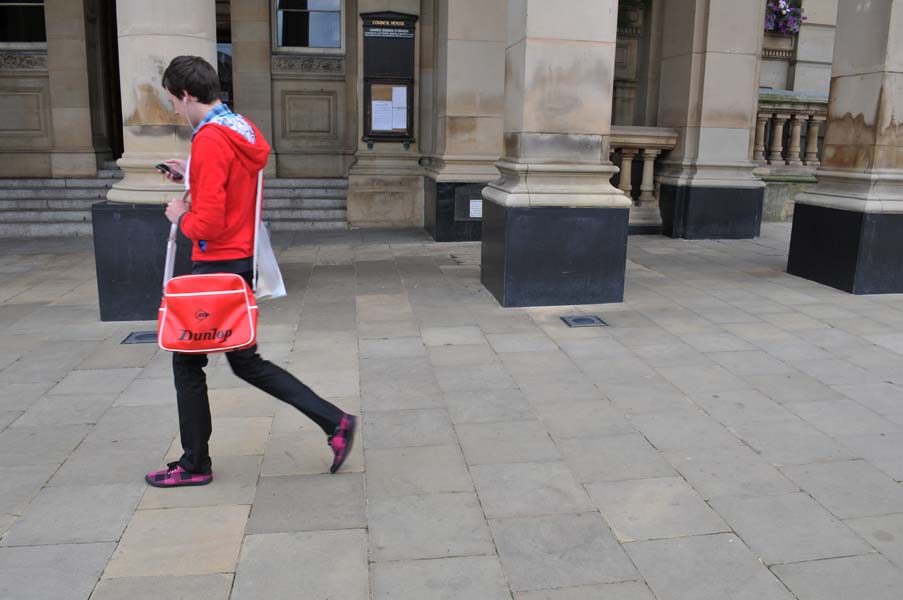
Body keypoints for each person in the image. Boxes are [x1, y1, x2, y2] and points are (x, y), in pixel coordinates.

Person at [145, 55, 356, 488]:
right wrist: (192, 177)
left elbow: (209, 222)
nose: (175, 110)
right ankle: (334, 422)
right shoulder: (241, 129)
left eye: (173, 101)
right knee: (244, 362)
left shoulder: (208, 140)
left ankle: (195, 465)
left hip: (215, 262)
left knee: (188, 366)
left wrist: (178, 215)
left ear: (186, 95)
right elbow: (231, 183)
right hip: (238, 261)